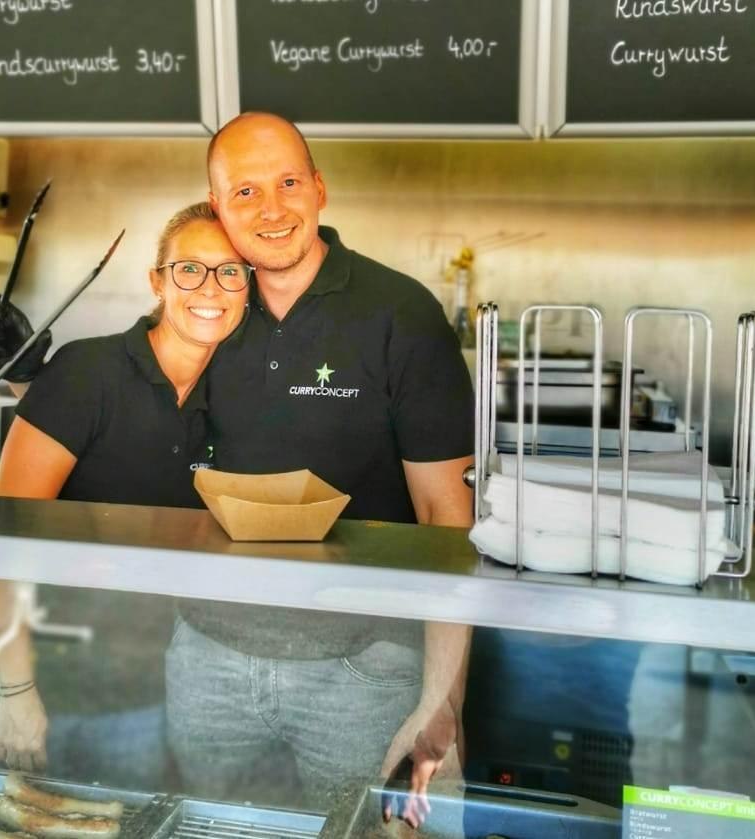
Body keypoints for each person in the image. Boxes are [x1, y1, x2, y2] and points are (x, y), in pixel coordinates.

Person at [166, 113, 476, 824]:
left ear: (319, 188)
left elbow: (447, 517)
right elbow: (124, 413)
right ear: (217, 207)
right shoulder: (205, 310)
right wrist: (32, 381)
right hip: (208, 660)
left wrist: (444, 701)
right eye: (245, 192)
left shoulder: (400, 313)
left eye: (287, 183)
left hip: (363, 671)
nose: (271, 209)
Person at [0, 202, 251, 787]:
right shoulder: (87, 372)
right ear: (157, 281)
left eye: (230, 271)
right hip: (28, 685)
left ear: (248, 287)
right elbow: (4, 539)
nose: (210, 287)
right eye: (190, 269)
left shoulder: (237, 400)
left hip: (135, 699)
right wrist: (17, 690)